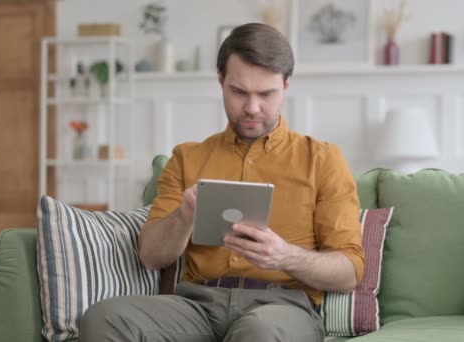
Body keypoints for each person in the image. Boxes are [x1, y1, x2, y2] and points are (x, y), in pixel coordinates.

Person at [80, 23, 364, 342]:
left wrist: (284, 256)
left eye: (266, 94)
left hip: (281, 308)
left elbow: (349, 271)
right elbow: (150, 256)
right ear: (221, 81)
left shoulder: (323, 160)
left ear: (286, 85)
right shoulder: (187, 158)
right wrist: (184, 216)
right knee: (103, 318)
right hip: (196, 306)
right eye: (239, 92)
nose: (252, 108)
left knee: (258, 332)